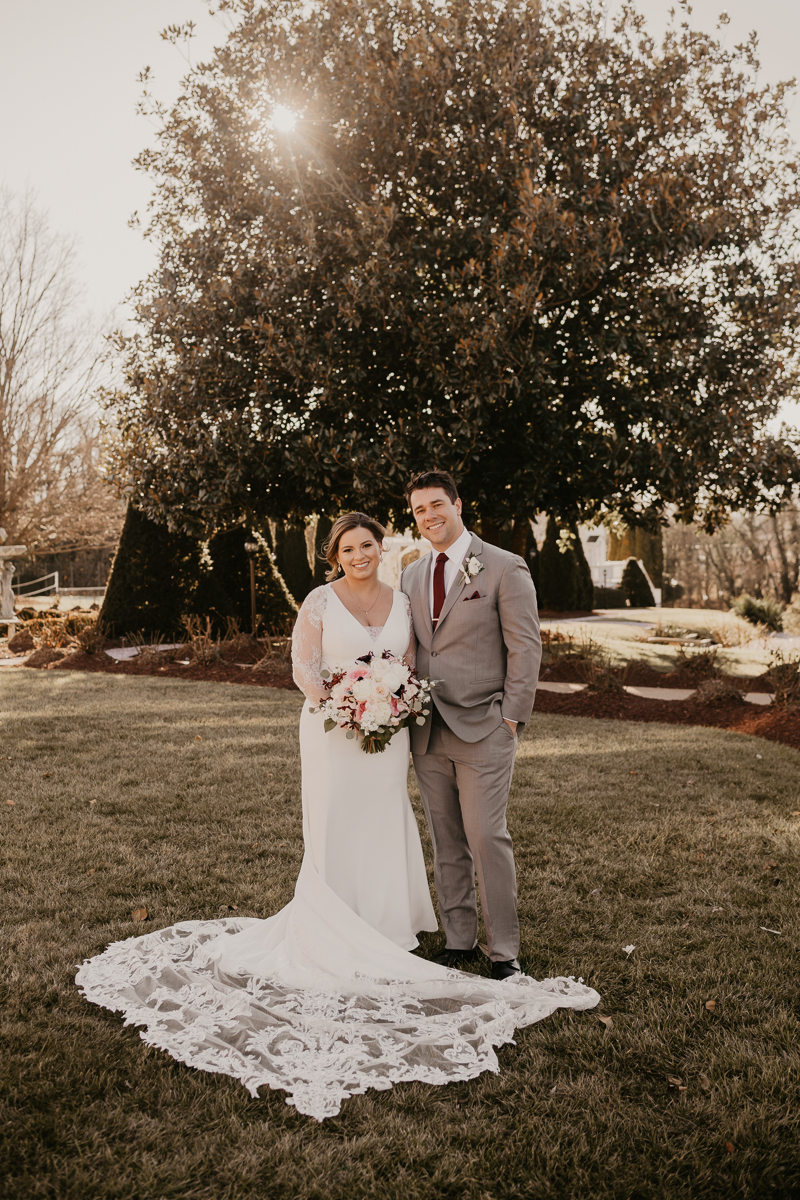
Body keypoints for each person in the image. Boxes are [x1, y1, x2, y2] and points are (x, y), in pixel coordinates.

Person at [76, 512, 598, 1122]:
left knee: (390, 822)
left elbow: (410, 661)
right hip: (333, 730)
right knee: (336, 823)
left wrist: (389, 701)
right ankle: (335, 924)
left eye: (368, 545)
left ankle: (389, 927)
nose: (359, 554)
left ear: (382, 548)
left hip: (391, 733)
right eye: (348, 547)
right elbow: (302, 667)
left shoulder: (402, 591)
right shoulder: (319, 601)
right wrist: (339, 703)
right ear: (334, 555)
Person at [401, 470, 539, 980]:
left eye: (438, 504)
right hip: (426, 730)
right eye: (419, 509)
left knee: (486, 836)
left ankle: (504, 950)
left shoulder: (505, 567)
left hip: (485, 724)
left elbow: (525, 646)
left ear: (459, 505)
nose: (430, 515)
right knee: (446, 838)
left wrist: (512, 717)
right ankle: (459, 941)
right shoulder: (410, 575)